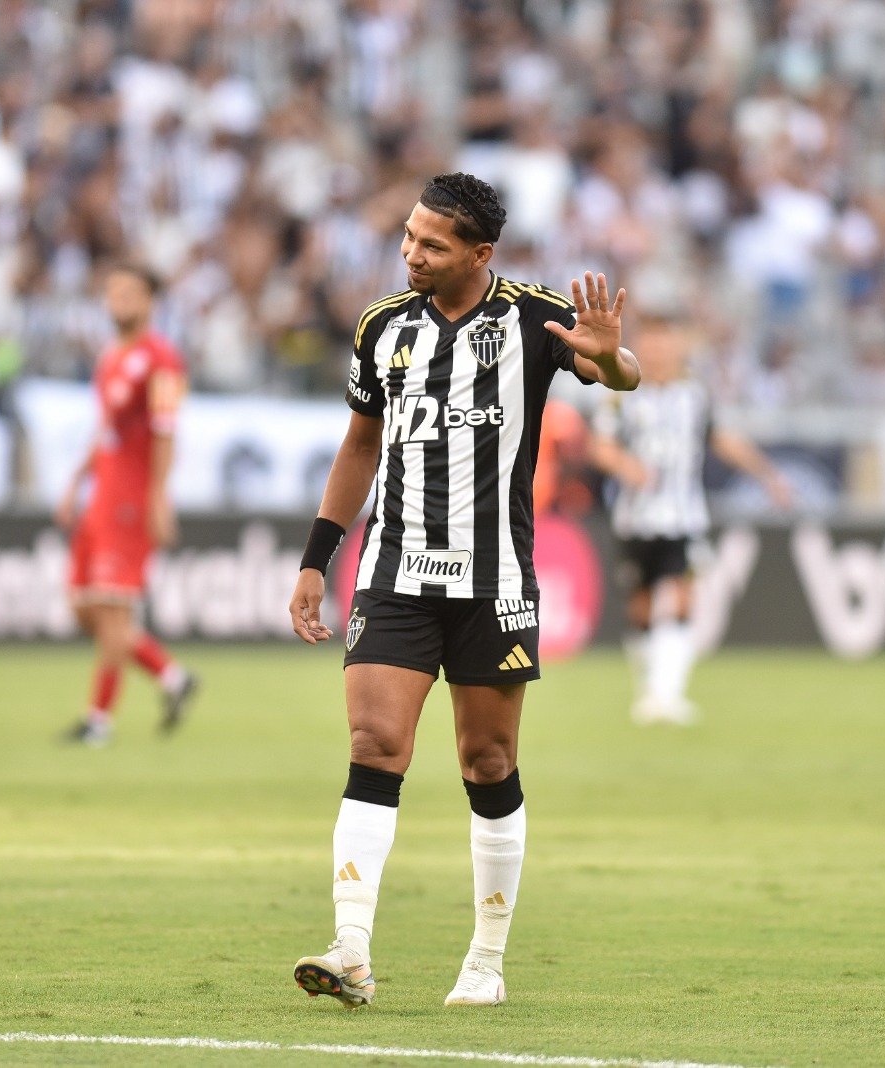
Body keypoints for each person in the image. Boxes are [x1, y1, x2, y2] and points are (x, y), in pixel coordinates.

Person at [286, 172, 641, 1009]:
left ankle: (485, 958)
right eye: (408, 236)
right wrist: (315, 558)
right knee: (375, 745)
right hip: (394, 573)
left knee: (488, 760)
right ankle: (351, 948)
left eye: (432, 244)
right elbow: (359, 447)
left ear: (480, 254)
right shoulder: (383, 327)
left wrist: (612, 353)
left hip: (494, 581)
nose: (411, 252)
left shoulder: (532, 316)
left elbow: (616, 376)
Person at [589, 314, 792, 725]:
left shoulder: (695, 394)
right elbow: (601, 446)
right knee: (641, 605)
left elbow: (722, 438)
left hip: (684, 516)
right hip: (636, 518)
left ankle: (670, 693)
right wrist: (627, 467)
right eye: (652, 343)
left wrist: (768, 476)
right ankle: (649, 691)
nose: (660, 351)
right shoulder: (619, 393)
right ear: (641, 347)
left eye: (666, 343)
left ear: (679, 347)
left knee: (682, 597)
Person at [57, 263, 197, 746]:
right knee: (83, 606)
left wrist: (158, 494)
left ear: (149, 301)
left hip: (131, 501)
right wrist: (77, 482)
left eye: (130, 293)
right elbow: (108, 432)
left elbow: (165, 431)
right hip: (102, 495)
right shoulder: (110, 357)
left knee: (113, 612)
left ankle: (98, 720)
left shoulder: (163, 360)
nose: (119, 301)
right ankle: (171, 675)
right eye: (113, 292)